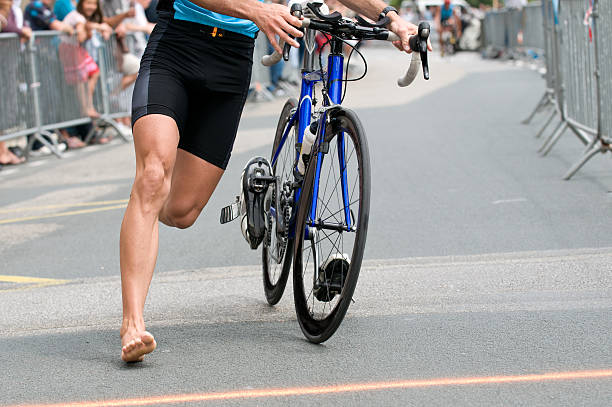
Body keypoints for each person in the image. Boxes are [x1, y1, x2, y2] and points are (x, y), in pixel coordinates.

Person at [118, 0, 427, 363]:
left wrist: (392, 19)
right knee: (153, 176)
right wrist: (255, 11)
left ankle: (231, 198)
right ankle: (132, 325)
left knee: (181, 212)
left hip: (231, 62)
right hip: (176, 49)